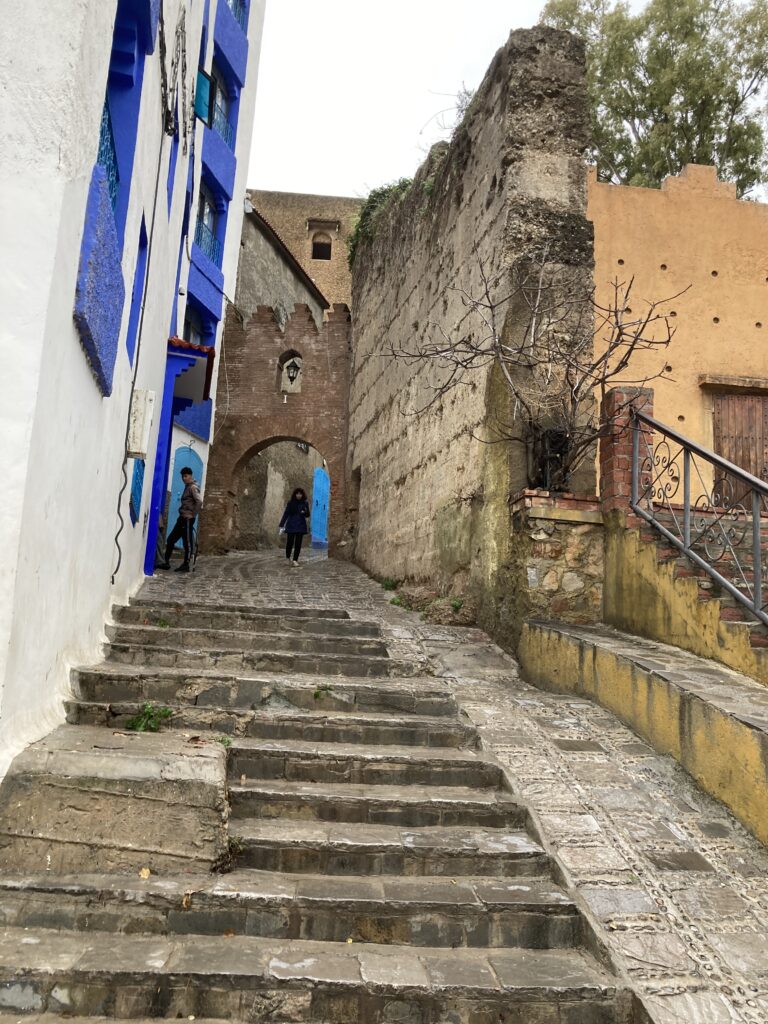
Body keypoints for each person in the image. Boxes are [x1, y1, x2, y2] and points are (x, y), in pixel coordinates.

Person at [157, 467, 203, 573]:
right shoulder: (187, 486)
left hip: (187, 519)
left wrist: (193, 514)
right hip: (181, 518)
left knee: (187, 543)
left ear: (190, 476)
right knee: (171, 539)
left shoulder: (192, 487)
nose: (184, 478)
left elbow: (199, 501)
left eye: (186, 476)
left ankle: (186, 565)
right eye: (182, 476)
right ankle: (166, 562)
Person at [279, 487, 310, 566]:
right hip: (291, 525)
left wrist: (304, 512)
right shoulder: (290, 503)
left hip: (300, 525)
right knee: (289, 542)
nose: (299, 495)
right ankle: (287, 557)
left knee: (298, 544)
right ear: (295, 494)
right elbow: (286, 514)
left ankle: (295, 560)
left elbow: (308, 514)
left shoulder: (305, 503)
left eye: (300, 494)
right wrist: (282, 524)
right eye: (297, 494)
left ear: (302, 495)